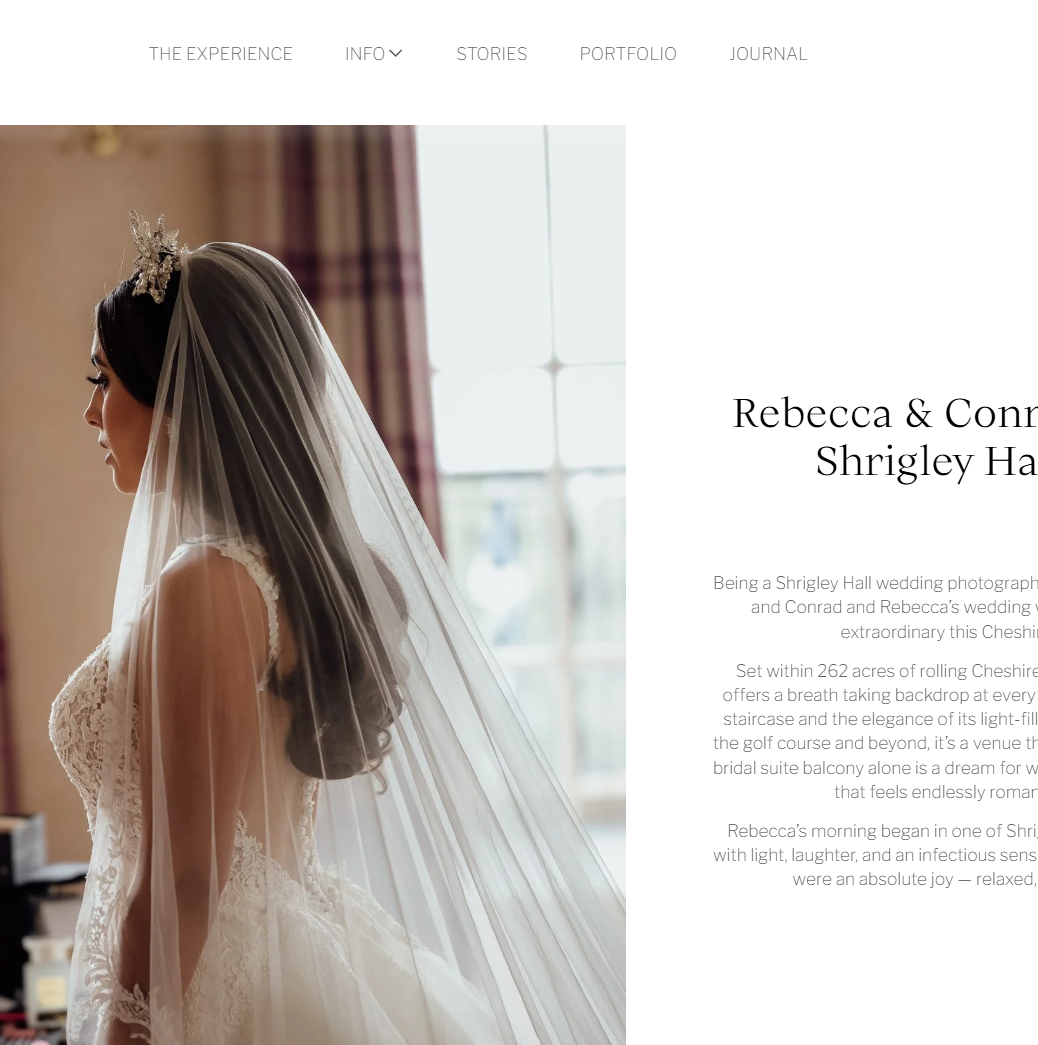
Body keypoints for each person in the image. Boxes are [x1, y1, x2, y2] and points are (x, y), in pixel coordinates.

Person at [49, 215, 624, 1044]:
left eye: (103, 380)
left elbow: (189, 875)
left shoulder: (207, 584)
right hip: (289, 951)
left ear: (172, 395)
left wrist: (127, 1029)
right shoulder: (273, 570)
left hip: (222, 991)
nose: (91, 412)